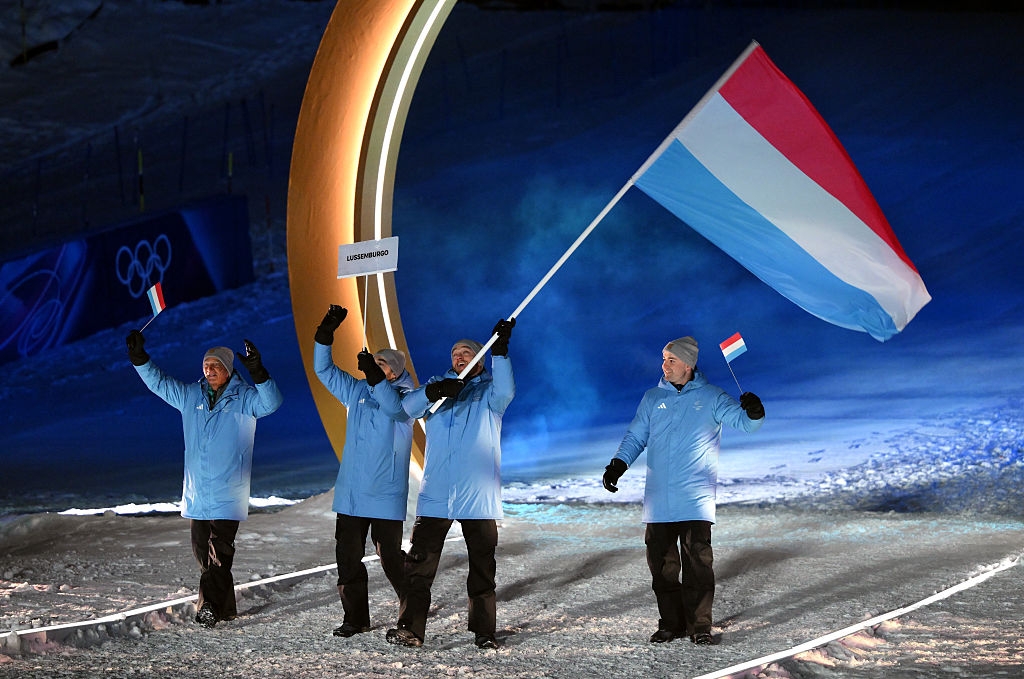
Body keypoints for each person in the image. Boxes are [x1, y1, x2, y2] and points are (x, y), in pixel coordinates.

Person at [602, 336, 764, 646]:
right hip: (659, 500)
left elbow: (746, 424)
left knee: (697, 567)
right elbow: (636, 436)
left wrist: (754, 412)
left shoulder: (712, 396)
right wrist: (617, 464)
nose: (664, 365)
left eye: (671, 360)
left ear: (687, 365)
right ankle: (671, 624)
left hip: (694, 499)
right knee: (662, 569)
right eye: (663, 359)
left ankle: (699, 626)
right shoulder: (652, 398)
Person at [125, 329, 283, 629]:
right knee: (204, 556)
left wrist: (258, 372)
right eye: (206, 366)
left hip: (229, 490)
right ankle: (225, 607)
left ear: (228, 369)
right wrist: (139, 358)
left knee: (219, 553)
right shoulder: (190, 396)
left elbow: (272, 402)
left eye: (215, 366)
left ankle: (208, 607)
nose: (209, 370)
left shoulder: (246, 397)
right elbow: (159, 383)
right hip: (198, 492)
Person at [386, 319, 516, 650]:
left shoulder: (488, 394)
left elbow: (507, 390)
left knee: (482, 569)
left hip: (478, 499)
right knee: (418, 569)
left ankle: (484, 632)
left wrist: (500, 351)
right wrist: (436, 390)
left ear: (480, 359)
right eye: (455, 353)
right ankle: (410, 628)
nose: (459, 357)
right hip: (436, 497)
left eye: (467, 352)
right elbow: (406, 408)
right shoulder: (437, 387)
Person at [312, 304, 415, 638]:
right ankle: (355, 618)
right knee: (348, 559)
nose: (378, 367)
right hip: (353, 494)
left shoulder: (408, 396)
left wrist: (373, 376)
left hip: (384, 493)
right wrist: (326, 332)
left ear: (396, 371)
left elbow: (394, 410)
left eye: (383, 364)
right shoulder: (356, 390)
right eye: (376, 362)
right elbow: (323, 370)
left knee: (390, 559)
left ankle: (412, 606)